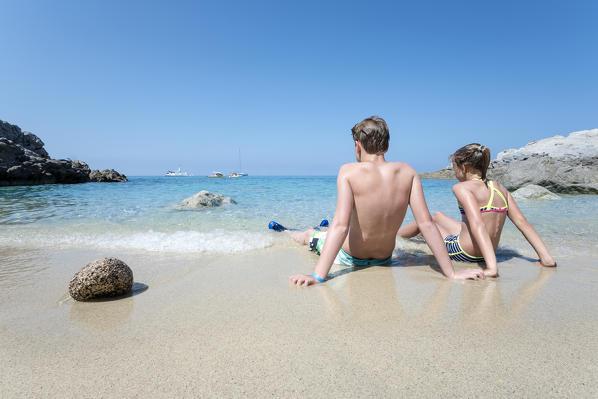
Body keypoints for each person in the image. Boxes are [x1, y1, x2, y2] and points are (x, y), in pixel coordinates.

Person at [279, 117, 485, 286]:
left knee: (309, 235)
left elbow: (341, 226)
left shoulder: (348, 172)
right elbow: (426, 224)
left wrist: (317, 276)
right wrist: (451, 273)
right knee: (329, 229)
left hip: (348, 257)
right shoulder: (408, 172)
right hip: (384, 258)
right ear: (386, 146)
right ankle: (312, 231)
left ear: (357, 146)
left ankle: (289, 232)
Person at [397, 143, 556, 277]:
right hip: (486, 249)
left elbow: (477, 224)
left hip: (464, 252)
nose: (455, 173)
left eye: (455, 168)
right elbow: (522, 222)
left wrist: (491, 267)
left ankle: (394, 242)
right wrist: (546, 258)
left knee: (423, 224)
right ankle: (405, 240)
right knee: (437, 216)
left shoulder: (462, 188)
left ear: (464, 168)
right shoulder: (500, 188)